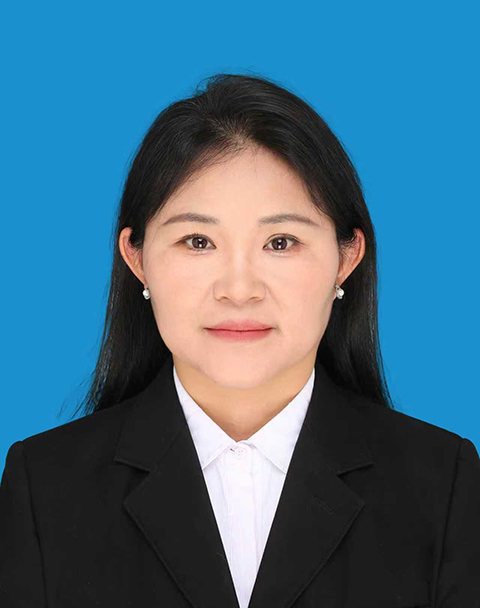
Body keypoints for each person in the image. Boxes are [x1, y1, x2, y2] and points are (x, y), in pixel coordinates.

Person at [1, 73, 479, 608]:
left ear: (346, 258)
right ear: (137, 259)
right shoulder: (44, 487)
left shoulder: (443, 486)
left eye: (281, 242)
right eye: (197, 241)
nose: (239, 289)